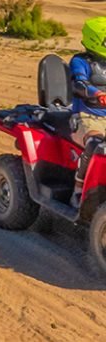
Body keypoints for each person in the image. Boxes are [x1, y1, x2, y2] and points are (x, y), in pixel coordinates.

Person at [69, 16, 106, 207]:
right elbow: (79, 83)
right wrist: (96, 93)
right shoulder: (80, 61)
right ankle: (78, 190)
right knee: (96, 143)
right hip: (86, 117)